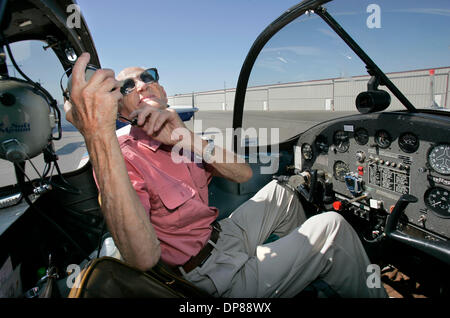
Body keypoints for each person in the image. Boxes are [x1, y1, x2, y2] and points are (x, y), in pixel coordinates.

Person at [64, 52, 387, 298]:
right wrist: (98, 135)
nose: (142, 84)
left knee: (282, 194)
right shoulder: (122, 154)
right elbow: (143, 258)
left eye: (147, 76)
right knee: (331, 226)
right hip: (205, 275)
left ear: (162, 88)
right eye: (128, 86)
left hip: (222, 237)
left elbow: (242, 173)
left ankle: (303, 270)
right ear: (120, 109)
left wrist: (185, 137)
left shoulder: (181, 134)